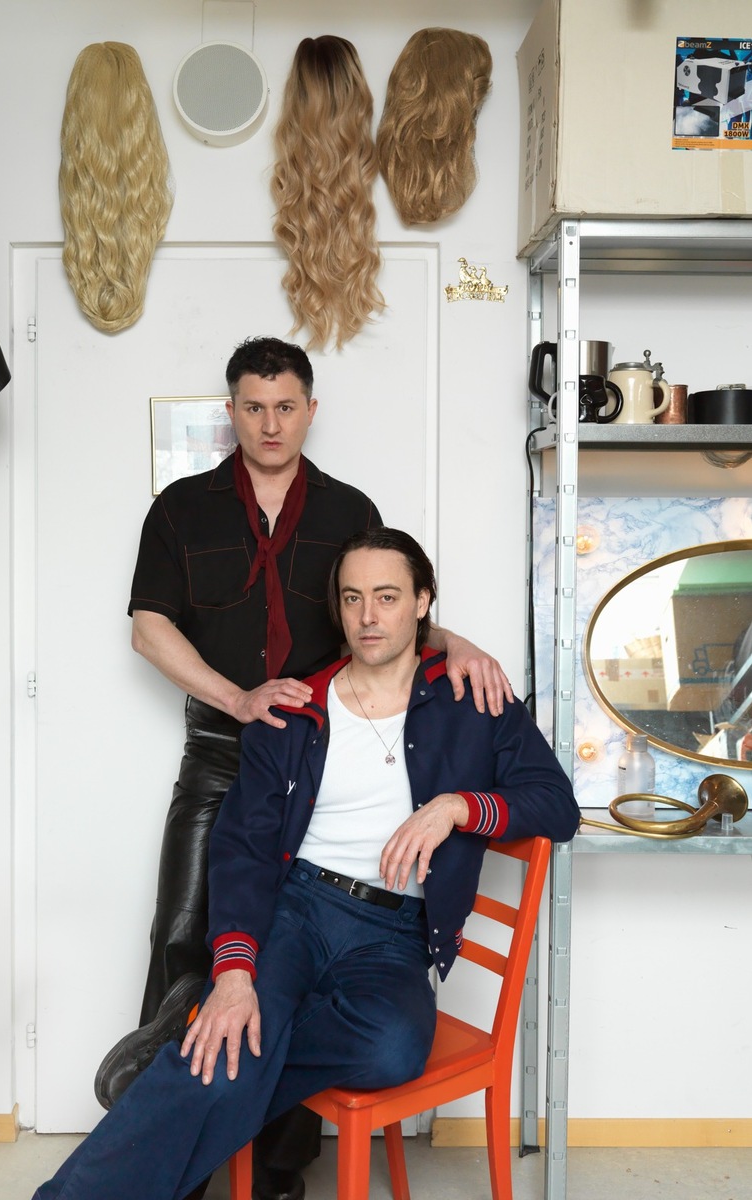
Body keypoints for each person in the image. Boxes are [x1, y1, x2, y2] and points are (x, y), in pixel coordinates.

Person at [33, 527, 579, 1200]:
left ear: (422, 603)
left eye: (386, 597)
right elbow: (242, 847)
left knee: (385, 1050)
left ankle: (181, 1053)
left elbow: (557, 806)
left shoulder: (473, 699)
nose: (368, 616)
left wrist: (456, 808)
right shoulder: (293, 711)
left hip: (395, 935)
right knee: (229, 1045)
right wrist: (235, 972)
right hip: (295, 912)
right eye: (352, 598)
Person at [94, 337, 512, 1200]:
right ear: (231, 412)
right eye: (253, 407)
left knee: (289, 961)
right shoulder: (181, 508)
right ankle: (172, 1152)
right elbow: (148, 628)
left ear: (310, 411)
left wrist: (459, 641)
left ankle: (279, 1166)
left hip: (315, 758)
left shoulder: (349, 509)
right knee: (184, 932)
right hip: (223, 747)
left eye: (286, 407)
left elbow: (385, 609)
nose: (270, 423)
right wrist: (237, 698)